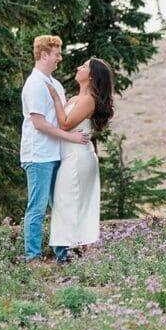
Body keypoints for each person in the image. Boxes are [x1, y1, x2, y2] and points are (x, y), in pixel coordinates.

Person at [21, 35, 90, 265]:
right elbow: (39, 124)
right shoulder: (35, 84)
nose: (60, 58)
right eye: (56, 53)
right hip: (38, 155)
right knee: (37, 207)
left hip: (55, 154)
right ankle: (33, 258)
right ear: (44, 55)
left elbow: (63, 119)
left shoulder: (55, 84)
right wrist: (70, 137)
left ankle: (64, 255)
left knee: (60, 206)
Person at [46, 57, 115, 258]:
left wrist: (57, 100)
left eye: (84, 66)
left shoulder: (88, 100)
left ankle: (82, 249)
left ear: (91, 76)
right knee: (68, 201)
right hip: (71, 156)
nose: (78, 67)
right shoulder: (77, 99)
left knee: (73, 201)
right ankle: (77, 248)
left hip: (78, 158)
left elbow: (65, 124)